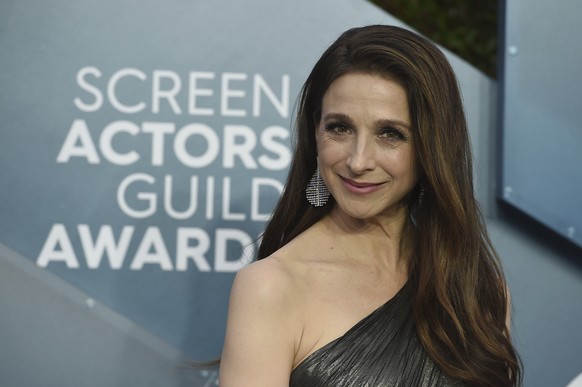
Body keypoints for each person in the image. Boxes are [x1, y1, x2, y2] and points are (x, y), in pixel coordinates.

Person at [217, 25, 522, 386]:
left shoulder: (477, 287)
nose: (358, 161)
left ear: (432, 147)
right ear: (315, 133)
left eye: (390, 134)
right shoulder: (271, 287)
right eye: (339, 128)